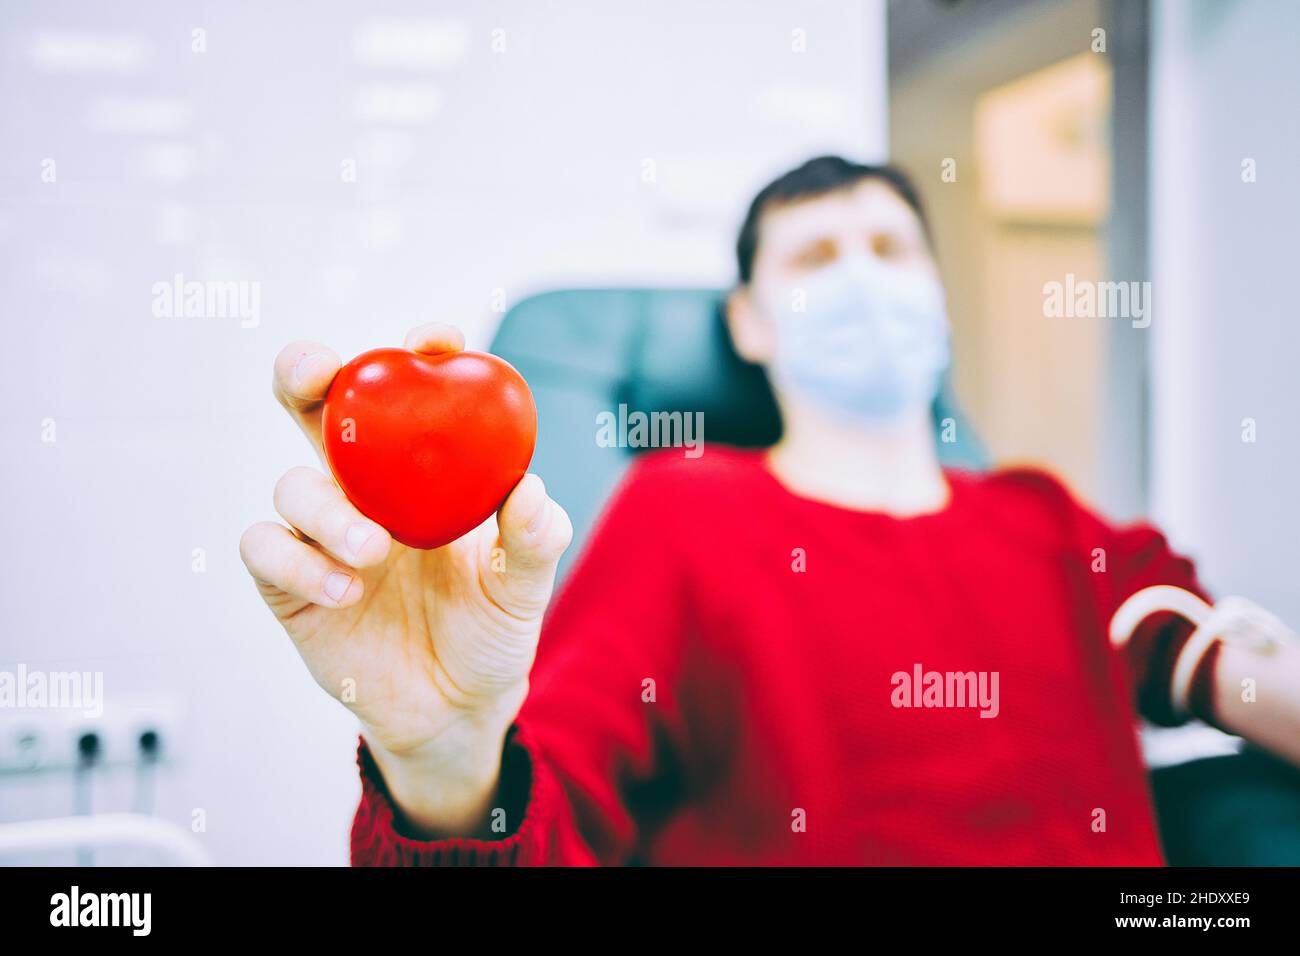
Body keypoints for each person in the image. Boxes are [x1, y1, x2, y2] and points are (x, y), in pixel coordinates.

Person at [239, 155, 1300, 865]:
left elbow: (1202, 647)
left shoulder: (1042, 516)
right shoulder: (683, 510)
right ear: (747, 321)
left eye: (890, 251)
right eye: (815, 258)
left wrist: (1245, 679)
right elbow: (554, 812)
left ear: (935, 294)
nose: (862, 282)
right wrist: (443, 755)